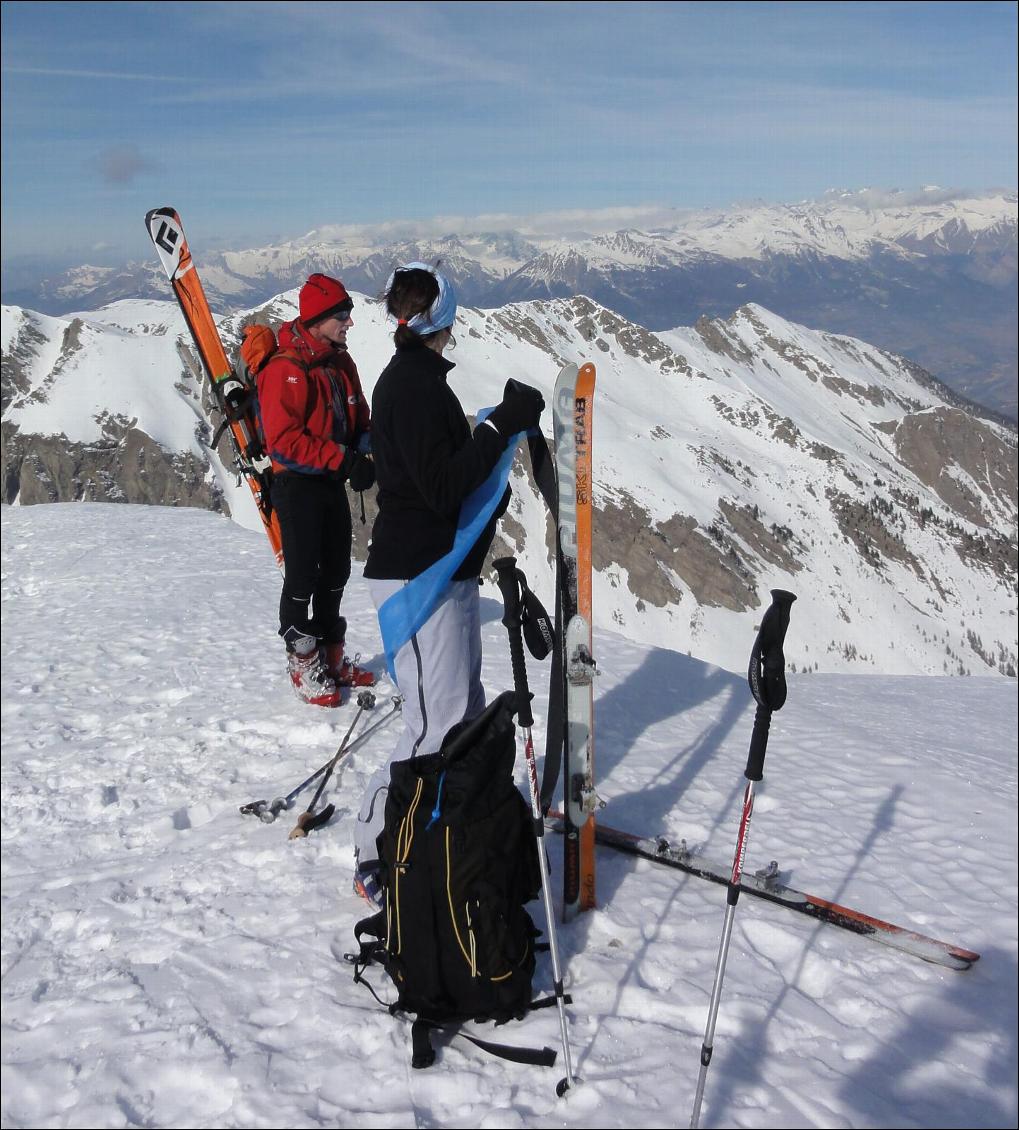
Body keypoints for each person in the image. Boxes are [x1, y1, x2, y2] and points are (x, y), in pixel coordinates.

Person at [353, 262, 544, 900]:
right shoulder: (410, 386)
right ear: (439, 315)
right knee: (432, 722)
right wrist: (498, 426)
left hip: (439, 572)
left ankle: (439, 832)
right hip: (417, 576)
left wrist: (498, 425)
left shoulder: (420, 380)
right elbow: (441, 485)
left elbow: (443, 468)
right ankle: (378, 847)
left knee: (457, 713)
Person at [257, 273, 376, 707]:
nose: (348, 322)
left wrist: (373, 445)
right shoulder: (285, 369)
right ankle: (303, 660)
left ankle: (331, 653)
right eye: (341, 315)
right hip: (296, 485)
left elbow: (359, 420)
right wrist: (344, 459)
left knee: (337, 573)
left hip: (329, 482)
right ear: (318, 318)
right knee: (303, 576)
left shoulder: (341, 363)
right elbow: (283, 443)